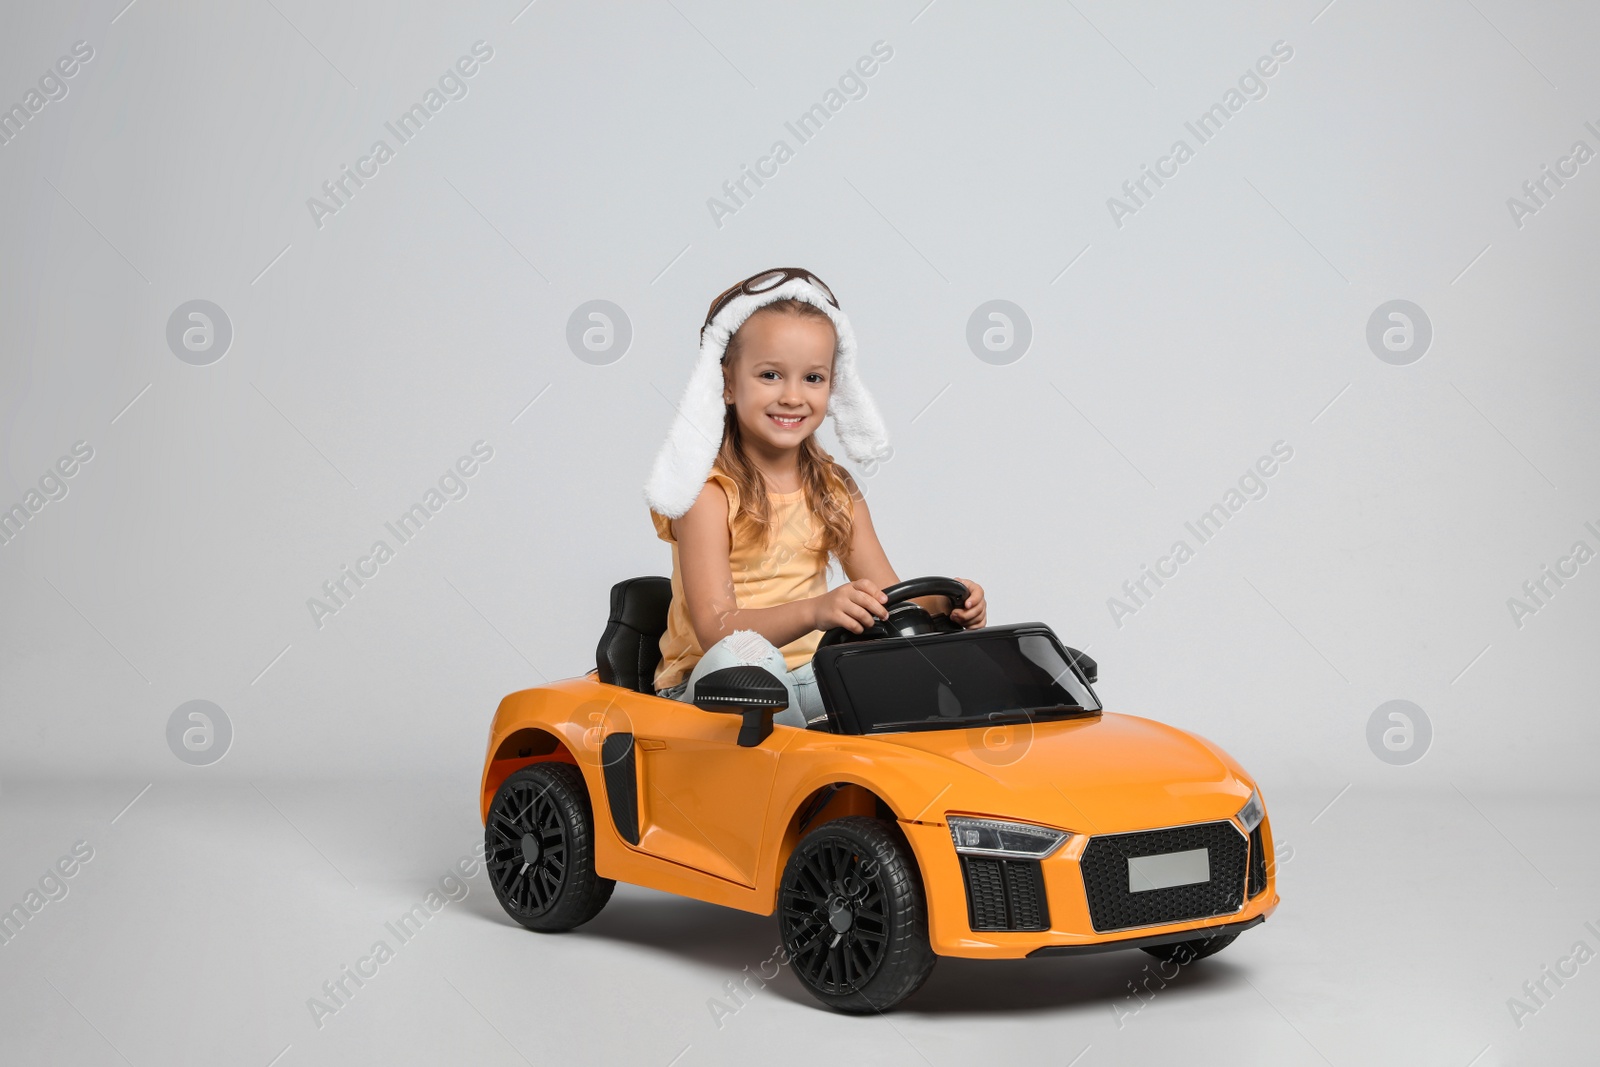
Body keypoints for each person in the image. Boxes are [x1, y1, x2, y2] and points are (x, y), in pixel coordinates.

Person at [643, 267, 986, 729]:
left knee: (893, 663)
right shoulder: (708, 492)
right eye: (769, 375)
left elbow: (889, 597)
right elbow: (715, 629)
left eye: (812, 378)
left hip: (812, 674)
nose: (792, 396)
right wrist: (815, 611)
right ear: (726, 383)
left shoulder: (834, 488)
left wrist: (950, 605)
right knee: (751, 659)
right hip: (713, 684)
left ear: (833, 386)